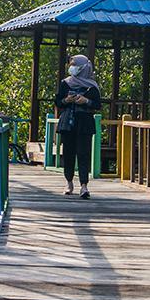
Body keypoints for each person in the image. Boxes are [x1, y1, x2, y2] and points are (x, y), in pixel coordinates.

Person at [54, 55, 102, 199]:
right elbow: (58, 102)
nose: (71, 67)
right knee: (68, 153)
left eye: (74, 65)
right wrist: (66, 100)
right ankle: (69, 182)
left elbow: (97, 105)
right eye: (71, 64)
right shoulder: (65, 83)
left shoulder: (92, 86)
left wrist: (86, 101)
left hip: (84, 122)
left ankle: (84, 186)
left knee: (83, 153)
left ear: (83, 67)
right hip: (68, 121)